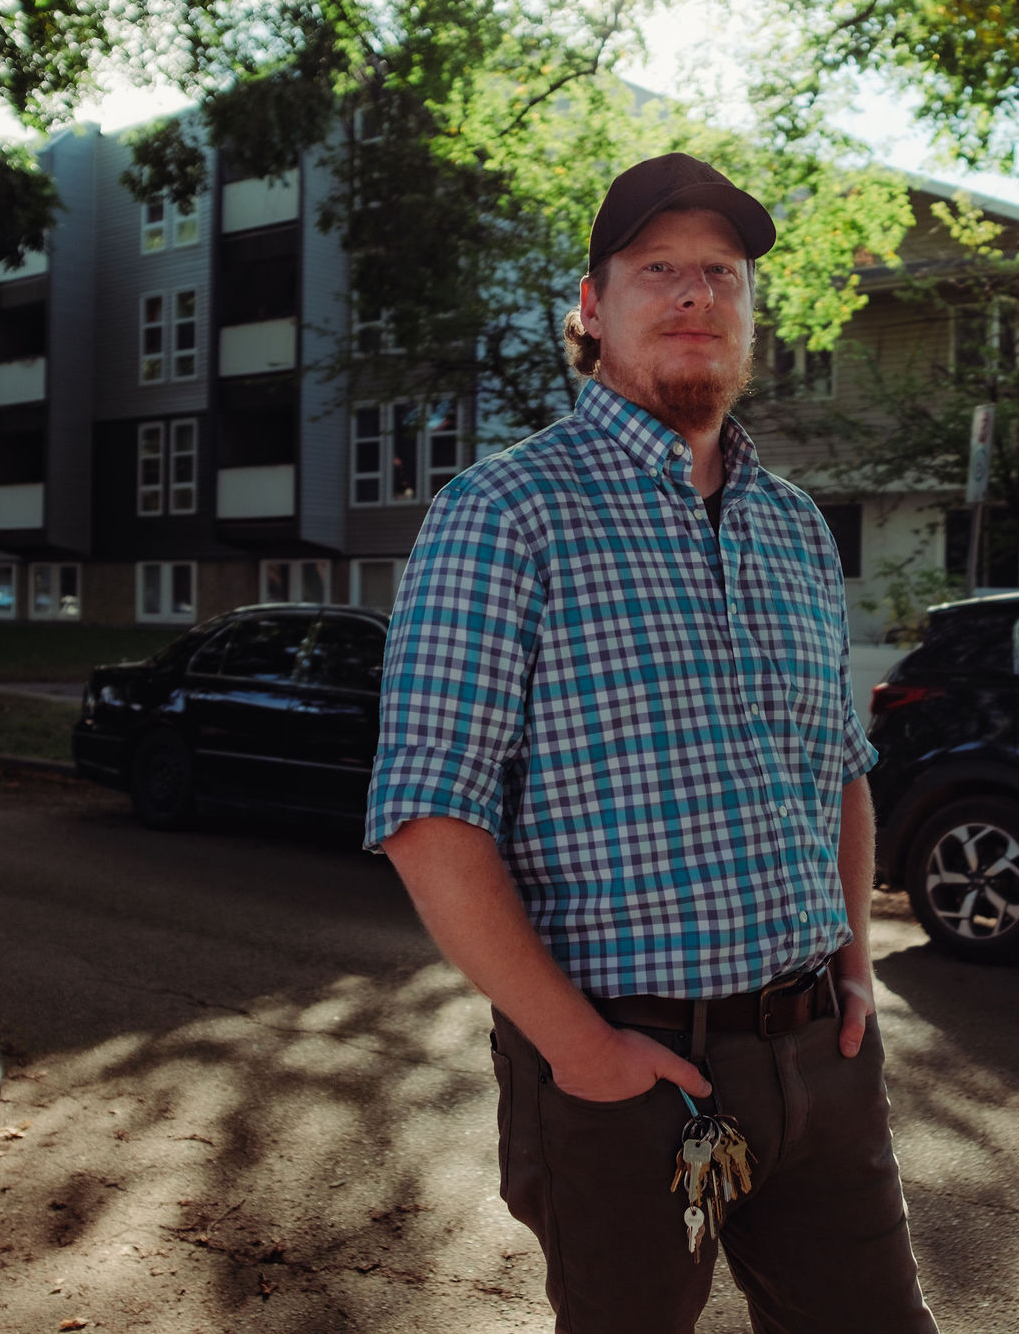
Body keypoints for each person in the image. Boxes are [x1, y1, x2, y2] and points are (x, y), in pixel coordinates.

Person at [365, 152, 938, 1334]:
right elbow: (428, 814)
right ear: (590, 307)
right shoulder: (506, 512)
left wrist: (853, 971)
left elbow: (839, 770)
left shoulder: (789, 527)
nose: (693, 296)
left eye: (720, 274)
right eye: (656, 270)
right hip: (622, 1074)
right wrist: (579, 1051)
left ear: (749, 312)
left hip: (818, 1059)